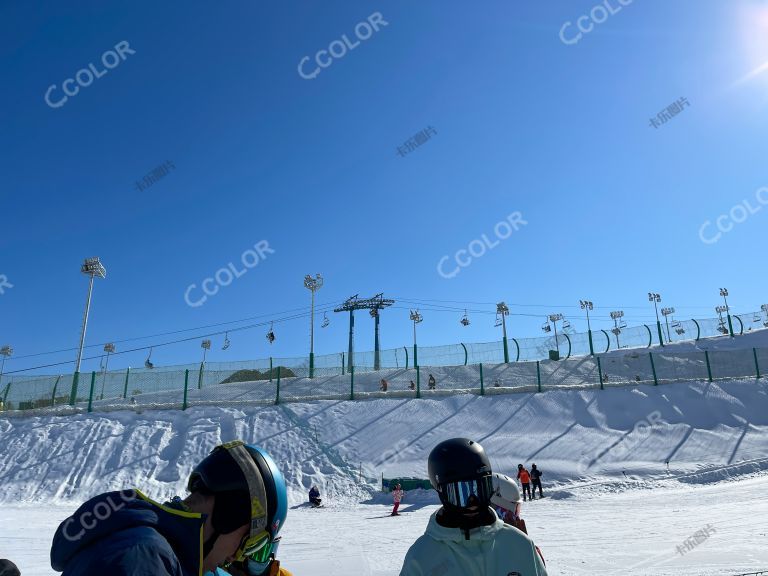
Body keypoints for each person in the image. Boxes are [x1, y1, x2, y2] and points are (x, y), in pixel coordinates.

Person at [50, 441, 286, 576]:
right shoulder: (144, 558)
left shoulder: (160, 546)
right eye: (249, 544)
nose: (235, 558)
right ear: (232, 513)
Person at [399, 438, 548, 576]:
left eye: (479, 489)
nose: (472, 503)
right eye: (461, 493)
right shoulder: (421, 558)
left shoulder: (520, 545)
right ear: (441, 492)